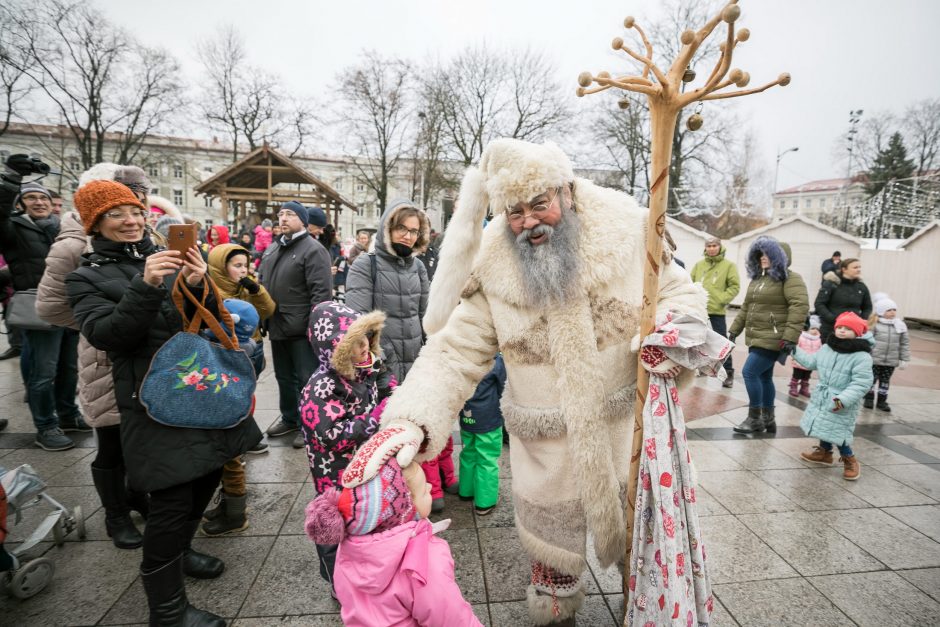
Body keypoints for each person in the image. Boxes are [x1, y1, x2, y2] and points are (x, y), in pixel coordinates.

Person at [341, 139, 705, 625]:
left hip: (629, 441)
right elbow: (453, 351)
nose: (530, 221)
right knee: (553, 571)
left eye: (540, 204)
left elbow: (680, 294)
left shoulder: (629, 227)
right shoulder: (493, 262)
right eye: (515, 211)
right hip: (546, 452)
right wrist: (409, 421)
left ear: (567, 191)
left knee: (642, 564)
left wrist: (674, 330)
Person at [66, 180, 261, 626]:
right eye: (116, 215)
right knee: (172, 497)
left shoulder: (168, 259)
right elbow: (108, 335)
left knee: (208, 475)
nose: (131, 220)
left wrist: (197, 281)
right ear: (96, 223)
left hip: (199, 388)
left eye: (135, 211)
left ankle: (181, 549)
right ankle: (167, 610)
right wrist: (146, 284)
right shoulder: (85, 277)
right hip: (151, 401)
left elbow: (206, 315)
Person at [37, 164, 151, 549]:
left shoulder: (145, 240)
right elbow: (49, 307)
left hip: (146, 359)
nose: (133, 216)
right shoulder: (72, 246)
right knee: (112, 441)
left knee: (141, 440)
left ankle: (135, 495)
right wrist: (100, 320)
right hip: (105, 360)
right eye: (122, 206)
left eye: (138, 203)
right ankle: (115, 516)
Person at [306, 459, 482, 627]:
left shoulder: (346, 550)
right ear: (406, 509)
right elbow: (450, 618)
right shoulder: (421, 562)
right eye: (423, 491)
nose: (429, 487)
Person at [299, 300, 389, 590]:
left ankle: (362, 573)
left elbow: (383, 380)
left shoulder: (364, 366)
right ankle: (338, 581)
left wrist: (394, 393)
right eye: (357, 343)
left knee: (362, 522)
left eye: (368, 338)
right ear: (335, 350)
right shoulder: (321, 387)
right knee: (334, 530)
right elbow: (332, 435)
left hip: (362, 465)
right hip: (334, 475)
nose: (366, 347)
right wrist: (374, 419)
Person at [0, 173, 88, 451]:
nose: (39, 202)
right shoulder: (13, 228)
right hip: (39, 308)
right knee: (43, 372)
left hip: (69, 305)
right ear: (20, 204)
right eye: (31, 197)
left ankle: (68, 414)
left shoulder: (61, 227)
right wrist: (12, 183)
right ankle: (45, 426)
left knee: (69, 368)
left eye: (44, 198)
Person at [201, 242, 277, 537]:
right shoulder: (209, 290)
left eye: (245, 265)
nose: (242, 270)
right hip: (222, 357)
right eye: (236, 265)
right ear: (220, 266)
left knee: (242, 404)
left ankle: (245, 435)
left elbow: (268, 309)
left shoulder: (246, 288)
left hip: (247, 352)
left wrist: (255, 288)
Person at [258, 201, 333, 448]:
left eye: (290, 214)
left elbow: (321, 293)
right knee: (283, 377)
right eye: (280, 214)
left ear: (303, 220)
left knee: (307, 378)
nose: (283, 218)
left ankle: (310, 424)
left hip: (302, 328)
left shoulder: (313, 249)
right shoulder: (272, 248)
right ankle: (290, 418)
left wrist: (316, 326)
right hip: (277, 324)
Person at [729, 236, 809, 435]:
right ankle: (768, 419)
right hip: (757, 336)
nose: (763, 258)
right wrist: (733, 331)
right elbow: (746, 308)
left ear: (780, 257)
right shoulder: (758, 280)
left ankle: (755, 418)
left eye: (768, 254)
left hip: (775, 337)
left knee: (749, 372)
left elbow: (799, 307)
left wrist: (790, 337)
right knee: (765, 377)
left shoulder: (791, 279)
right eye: (761, 254)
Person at [346, 200, 430, 384]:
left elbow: (426, 319)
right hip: (381, 368)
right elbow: (359, 323)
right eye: (402, 228)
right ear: (388, 228)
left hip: (417, 366)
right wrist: (381, 363)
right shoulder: (365, 265)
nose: (408, 236)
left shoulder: (418, 267)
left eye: (414, 231)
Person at [795, 312, 873, 481]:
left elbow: (861, 383)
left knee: (839, 431)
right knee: (824, 425)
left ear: (857, 333)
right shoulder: (827, 347)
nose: (842, 331)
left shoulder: (861, 356)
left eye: (848, 328)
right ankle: (825, 453)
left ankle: (849, 459)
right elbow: (810, 362)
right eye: (840, 327)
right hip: (824, 395)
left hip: (843, 400)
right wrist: (793, 350)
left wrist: (842, 400)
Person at [458, 353, 506, 516]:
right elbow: (503, 387)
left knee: (468, 452)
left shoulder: (462, 356)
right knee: (487, 457)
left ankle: (466, 490)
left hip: (466, 412)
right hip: (488, 416)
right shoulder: (494, 360)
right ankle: (485, 501)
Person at [689, 235, 740, 387]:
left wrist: (721, 299)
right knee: (697, 339)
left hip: (717, 309)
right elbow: (691, 283)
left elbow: (734, 286)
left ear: (720, 247)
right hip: (699, 308)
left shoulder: (728, 266)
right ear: (705, 248)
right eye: (709, 246)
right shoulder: (699, 265)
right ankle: (701, 368)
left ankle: (729, 372)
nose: (711, 249)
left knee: (722, 340)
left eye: (714, 246)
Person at [864, 295, 910, 412]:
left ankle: (882, 401)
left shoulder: (900, 325)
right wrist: (865, 355)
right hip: (874, 359)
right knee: (871, 380)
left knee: (885, 381)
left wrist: (904, 359)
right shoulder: (875, 324)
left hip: (891, 360)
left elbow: (904, 343)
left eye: (894, 310)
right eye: (889, 310)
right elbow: (867, 341)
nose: (892, 312)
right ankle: (869, 399)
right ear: (881, 311)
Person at [815, 258, 872, 341]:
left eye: (859, 267)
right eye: (855, 267)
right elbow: (819, 304)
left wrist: (861, 320)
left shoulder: (861, 287)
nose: (859, 270)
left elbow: (867, 307)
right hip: (831, 330)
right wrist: (833, 319)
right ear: (844, 269)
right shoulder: (831, 284)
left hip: (852, 331)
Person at [790, 315, 822, 398]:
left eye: (816, 329)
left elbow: (820, 350)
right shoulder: (801, 337)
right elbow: (796, 348)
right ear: (807, 329)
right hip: (798, 362)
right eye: (812, 328)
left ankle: (804, 388)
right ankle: (793, 387)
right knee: (796, 375)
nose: (815, 331)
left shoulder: (818, 339)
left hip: (810, 363)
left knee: (806, 377)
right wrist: (794, 357)